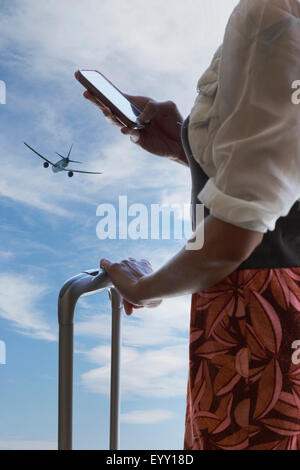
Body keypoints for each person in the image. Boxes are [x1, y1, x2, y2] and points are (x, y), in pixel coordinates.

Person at [84, 0, 300, 450]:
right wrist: (188, 142)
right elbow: (278, 169)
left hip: (253, 321)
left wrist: (143, 288)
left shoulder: (268, 16)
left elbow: (230, 239)